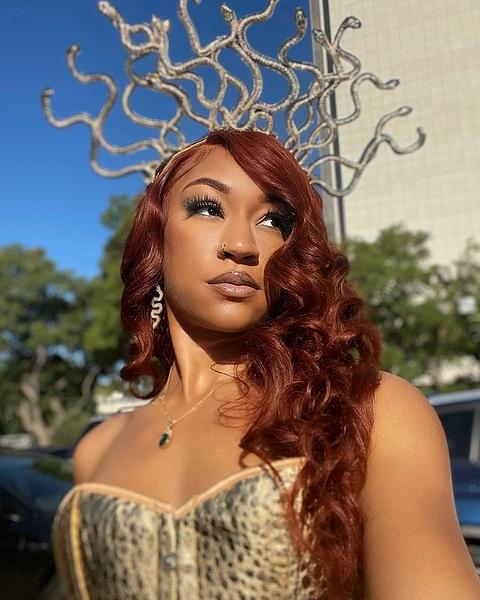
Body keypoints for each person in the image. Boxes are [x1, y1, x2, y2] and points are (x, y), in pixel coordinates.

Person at [51, 127, 480, 599]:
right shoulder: (97, 450)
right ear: (157, 236)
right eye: (208, 207)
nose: (242, 244)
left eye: (274, 220)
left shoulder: (369, 410)